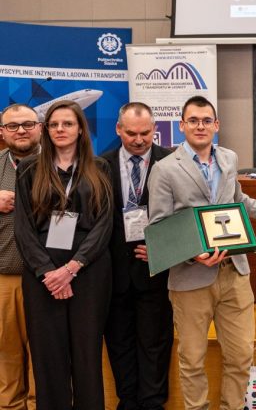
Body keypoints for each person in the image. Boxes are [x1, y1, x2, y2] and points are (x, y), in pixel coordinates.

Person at [147, 95, 256, 410]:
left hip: (234, 274)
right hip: (191, 278)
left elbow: (239, 201)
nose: (200, 126)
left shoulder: (229, 159)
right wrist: (193, 254)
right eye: (193, 120)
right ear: (182, 125)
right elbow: (159, 227)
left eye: (206, 120)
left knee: (241, 356)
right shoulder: (164, 169)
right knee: (192, 359)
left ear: (216, 125)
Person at [14, 100, 113, 410]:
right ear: (46, 130)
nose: (60, 129)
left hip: (88, 271)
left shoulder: (100, 167)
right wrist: (48, 272)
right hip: (42, 275)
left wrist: (72, 268)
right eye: (54, 124)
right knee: (48, 356)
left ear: (80, 128)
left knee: (87, 355)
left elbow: (104, 225)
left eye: (68, 123)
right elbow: (23, 228)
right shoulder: (30, 168)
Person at [102, 103, 174, 410]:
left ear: (154, 129)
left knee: (155, 344)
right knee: (119, 344)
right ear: (118, 129)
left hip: (156, 270)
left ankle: (153, 403)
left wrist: (164, 247)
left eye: (145, 133)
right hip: (113, 272)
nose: (139, 140)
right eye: (131, 133)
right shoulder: (99, 165)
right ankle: (127, 402)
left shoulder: (171, 162)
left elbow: (185, 214)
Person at [0, 104, 42, 410]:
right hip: (5, 279)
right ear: (2, 132)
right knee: (7, 354)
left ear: (40, 127)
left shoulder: (60, 163)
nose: (21, 131)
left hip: (48, 279)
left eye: (28, 124)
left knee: (47, 353)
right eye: (13, 126)